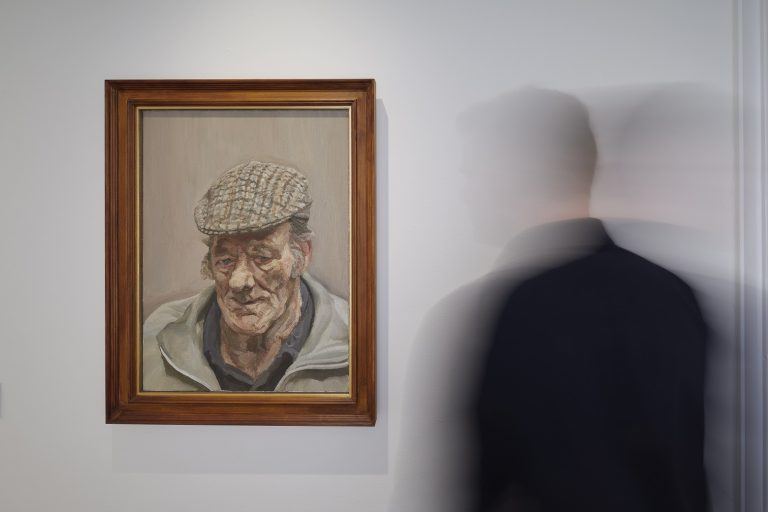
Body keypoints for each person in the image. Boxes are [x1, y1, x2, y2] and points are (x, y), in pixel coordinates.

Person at [467, 90, 709, 511]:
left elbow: (482, 486)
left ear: (518, 174)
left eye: (475, 171)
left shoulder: (512, 311)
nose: (467, 191)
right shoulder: (673, 296)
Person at [142, 161, 349, 393]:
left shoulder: (353, 341)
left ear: (302, 254)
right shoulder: (157, 337)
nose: (238, 281)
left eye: (261, 257)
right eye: (226, 261)